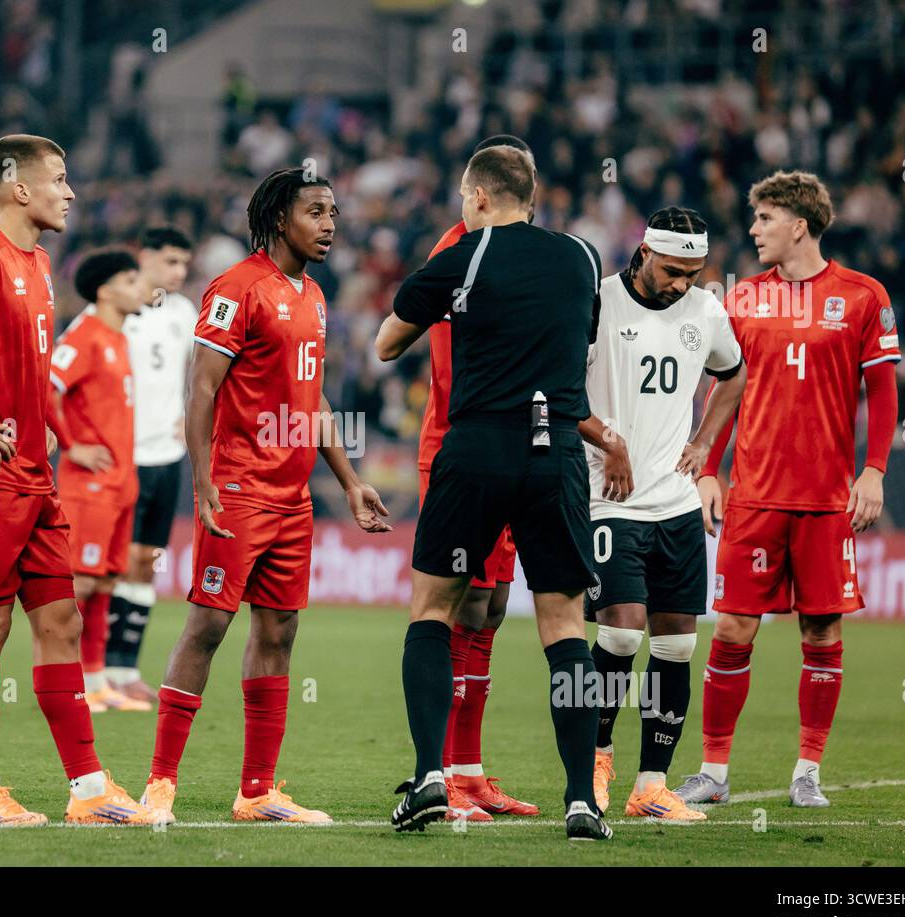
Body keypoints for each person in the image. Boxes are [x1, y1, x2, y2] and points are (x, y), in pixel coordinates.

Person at [0, 133, 160, 826]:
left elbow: (30, 366)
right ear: (19, 187)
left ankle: (88, 789)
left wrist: (52, 425)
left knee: (61, 619)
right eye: (60, 178)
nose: (71, 191)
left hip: (33, 478)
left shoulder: (40, 262)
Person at [139, 168, 391, 825]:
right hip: (238, 486)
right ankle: (160, 784)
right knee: (210, 622)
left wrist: (351, 479)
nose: (330, 223)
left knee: (279, 628)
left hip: (292, 495)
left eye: (333, 211)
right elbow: (202, 388)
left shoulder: (312, 296)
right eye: (315, 211)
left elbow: (313, 399)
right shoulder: (236, 288)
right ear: (281, 218)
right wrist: (203, 477)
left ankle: (257, 791)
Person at [376, 145, 609, 839]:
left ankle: (428, 778)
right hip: (557, 450)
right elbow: (578, 339)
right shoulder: (581, 257)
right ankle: (580, 799)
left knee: (432, 610)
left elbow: (388, 342)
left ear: (478, 196)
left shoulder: (465, 255)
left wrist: (451, 310)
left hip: (477, 445)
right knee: (565, 626)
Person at [676, 171, 900, 808]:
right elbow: (726, 388)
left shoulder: (863, 296)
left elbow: (882, 392)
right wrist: (709, 469)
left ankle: (807, 771)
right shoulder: (742, 299)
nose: (754, 230)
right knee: (733, 631)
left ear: (798, 224)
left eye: (765, 219)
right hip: (753, 496)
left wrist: (875, 468)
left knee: (822, 634)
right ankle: (714, 774)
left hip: (828, 499)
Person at [582, 207, 747, 822]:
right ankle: (597, 758)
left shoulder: (705, 310)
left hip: (676, 505)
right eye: (674, 271)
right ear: (645, 252)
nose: (683, 283)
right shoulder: (598, 303)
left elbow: (732, 374)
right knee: (622, 632)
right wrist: (609, 442)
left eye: (693, 272)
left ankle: (650, 786)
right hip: (610, 501)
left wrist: (704, 444)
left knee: (676, 648)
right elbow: (559, 388)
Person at [416, 134, 542, 822]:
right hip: (463, 446)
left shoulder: (509, 253)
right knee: (459, 608)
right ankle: (437, 776)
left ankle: (469, 770)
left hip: (507, 448)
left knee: (489, 610)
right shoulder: (458, 255)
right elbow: (448, 367)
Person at [49, 249, 152, 714]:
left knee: (106, 583)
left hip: (120, 483)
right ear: (106, 289)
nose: (140, 288)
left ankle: (96, 682)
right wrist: (71, 445)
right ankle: (70, 685)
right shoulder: (86, 335)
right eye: (131, 280)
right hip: (87, 485)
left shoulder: (119, 337)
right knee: (82, 585)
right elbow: (46, 388)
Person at [102, 228, 197, 706]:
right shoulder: (119, 310)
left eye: (185, 264)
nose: (179, 272)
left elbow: (195, 378)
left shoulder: (186, 315)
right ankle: (94, 673)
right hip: (123, 457)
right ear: (145, 258)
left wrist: (187, 413)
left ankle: (125, 670)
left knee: (144, 563)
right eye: (171, 262)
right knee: (108, 567)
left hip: (166, 458)